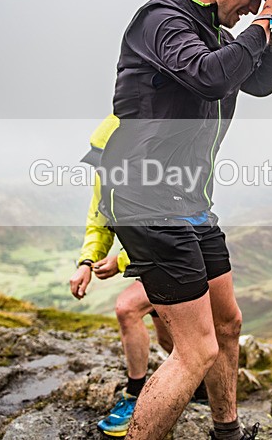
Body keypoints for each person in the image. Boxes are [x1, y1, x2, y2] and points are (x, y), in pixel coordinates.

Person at [98, 0, 272, 440]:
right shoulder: (163, 20)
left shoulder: (215, 32)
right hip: (145, 195)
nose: (254, 8)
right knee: (196, 349)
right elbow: (210, 77)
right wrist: (262, 25)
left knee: (228, 324)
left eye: (261, 4)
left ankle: (226, 432)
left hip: (189, 200)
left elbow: (254, 82)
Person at [68, 115, 208, 437]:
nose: (101, 171)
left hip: (178, 261)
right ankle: (198, 389)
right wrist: (87, 262)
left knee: (127, 308)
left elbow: (172, 231)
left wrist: (121, 261)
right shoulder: (107, 179)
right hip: (152, 263)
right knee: (169, 339)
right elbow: (99, 221)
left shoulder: (157, 177)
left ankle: (134, 395)